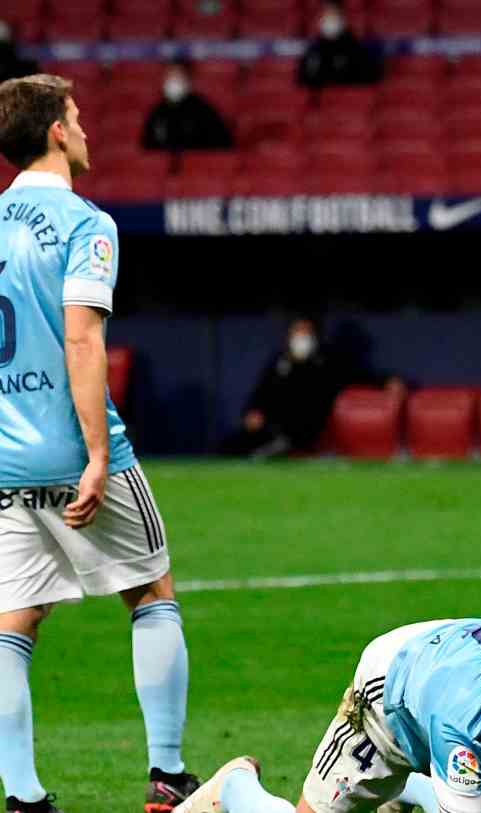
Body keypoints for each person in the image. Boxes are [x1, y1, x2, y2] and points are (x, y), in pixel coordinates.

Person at [0, 75, 199, 813]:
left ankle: (22, 794)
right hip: (73, 447)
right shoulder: (88, 222)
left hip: (5, 458)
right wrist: (94, 453)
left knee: (13, 621)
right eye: (76, 116)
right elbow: (82, 339)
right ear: (55, 130)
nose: (85, 128)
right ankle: (167, 773)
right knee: (151, 590)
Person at [176, 607, 481, 813]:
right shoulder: (464, 724)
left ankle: (415, 792)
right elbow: (478, 726)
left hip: (454, 675)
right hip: (394, 688)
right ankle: (235, 787)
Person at [219, 316, 404, 458]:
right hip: (270, 428)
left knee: (269, 449)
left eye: (306, 333)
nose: (301, 337)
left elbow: (359, 375)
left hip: (304, 431)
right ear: (289, 336)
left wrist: (386, 382)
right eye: (297, 332)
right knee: (231, 445)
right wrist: (253, 411)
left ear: (315, 336)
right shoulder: (279, 362)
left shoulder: (327, 362)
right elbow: (260, 393)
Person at [141, 61, 234, 152]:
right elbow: (147, 145)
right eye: (171, 75)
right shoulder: (158, 111)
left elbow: (221, 142)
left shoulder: (203, 109)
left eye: (178, 76)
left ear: (188, 78)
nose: (174, 80)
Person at [297, 1, 382, 89]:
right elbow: (303, 81)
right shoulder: (313, 51)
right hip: (324, 99)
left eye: (333, 16)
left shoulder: (358, 49)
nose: (330, 21)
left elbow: (369, 79)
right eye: (326, 16)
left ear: (342, 19)